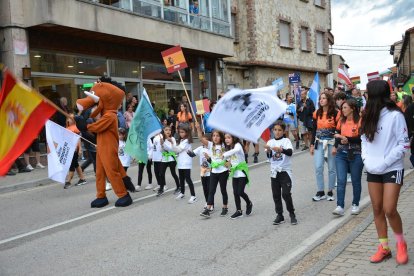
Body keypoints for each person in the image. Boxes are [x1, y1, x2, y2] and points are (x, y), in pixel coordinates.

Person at [361, 80, 409, 264]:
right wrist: (367, 160)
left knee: (389, 209)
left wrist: (384, 162)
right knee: (377, 208)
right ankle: (384, 247)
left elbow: (404, 144)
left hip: (391, 167)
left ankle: (401, 244)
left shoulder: (395, 116)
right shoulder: (366, 115)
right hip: (373, 168)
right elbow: (364, 140)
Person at [332, 99, 363, 216]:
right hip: (341, 154)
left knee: (355, 180)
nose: (343, 110)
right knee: (341, 180)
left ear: (353, 108)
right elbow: (337, 134)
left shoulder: (360, 120)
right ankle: (340, 206)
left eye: (345, 107)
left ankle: (355, 204)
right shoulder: (341, 121)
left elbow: (361, 138)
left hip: (356, 153)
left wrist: (348, 139)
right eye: (342, 108)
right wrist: (336, 145)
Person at [264, 121, 297, 225]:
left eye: (279, 130)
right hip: (274, 173)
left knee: (286, 194)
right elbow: (269, 157)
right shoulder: (270, 142)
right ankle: (280, 215)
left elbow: (290, 153)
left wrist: (281, 150)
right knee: (276, 195)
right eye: (275, 130)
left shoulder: (286, 141)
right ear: (272, 131)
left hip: (285, 172)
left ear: (283, 131)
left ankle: (292, 214)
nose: (277, 132)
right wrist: (269, 151)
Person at [310, 92, 339, 201]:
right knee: (318, 167)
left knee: (331, 168)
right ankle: (320, 191)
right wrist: (312, 144)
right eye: (320, 98)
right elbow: (313, 130)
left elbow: (338, 130)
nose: (321, 100)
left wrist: (336, 145)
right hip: (319, 142)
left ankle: (330, 191)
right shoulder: (316, 113)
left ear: (329, 100)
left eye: (324, 98)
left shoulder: (336, 113)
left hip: (331, 143)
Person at [197, 123, 229, 218]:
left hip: (223, 171)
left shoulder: (224, 145)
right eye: (214, 136)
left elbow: (228, 159)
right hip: (214, 171)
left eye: (217, 136)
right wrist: (198, 129)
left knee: (223, 190)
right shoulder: (211, 145)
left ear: (221, 137)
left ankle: (225, 208)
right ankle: (207, 209)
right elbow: (200, 139)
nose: (215, 138)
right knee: (211, 191)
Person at [223, 133, 253, 219]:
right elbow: (229, 160)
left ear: (234, 138)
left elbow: (234, 151)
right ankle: (238, 211)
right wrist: (226, 163)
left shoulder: (238, 145)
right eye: (225, 138)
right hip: (234, 172)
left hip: (242, 172)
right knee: (235, 192)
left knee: (240, 192)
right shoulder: (229, 148)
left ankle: (249, 203)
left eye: (229, 138)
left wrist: (225, 154)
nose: (226, 140)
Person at [170, 124, 197, 203]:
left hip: (186, 163)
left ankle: (193, 196)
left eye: (182, 132)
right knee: (181, 179)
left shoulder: (186, 141)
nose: (181, 134)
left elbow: (178, 150)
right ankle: (182, 192)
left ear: (187, 133)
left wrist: (172, 144)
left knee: (188, 179)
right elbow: (177, 151)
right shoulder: (182, 140)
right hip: (181, 162)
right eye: (180, 132)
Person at [188, 137, 213, 211]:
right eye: (202, 140)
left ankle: (211, 204)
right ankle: (207, 202)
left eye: (205, 140)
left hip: (210, 172)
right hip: (203, 172)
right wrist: (188, 152)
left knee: (210, 189)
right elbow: (192, 154)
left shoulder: (211, 148)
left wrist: (208, 158)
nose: (203, 141)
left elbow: (213, 160)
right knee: (205, 189)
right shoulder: (200, 148)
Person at [64, 115, 87, 189]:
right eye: (68, 118)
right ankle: (82, 178)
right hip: (69, 149)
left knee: (72, 164)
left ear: (73, 120)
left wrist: (80, 149)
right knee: (76, 164)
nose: (69, 120)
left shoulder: (75, 128)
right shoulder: (66, 128)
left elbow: (78, 139)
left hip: (75, 150)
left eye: (70, 119)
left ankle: (68, 181)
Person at [158, 126, 180, 196]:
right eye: (166, 130)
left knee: (173, 173)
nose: (168, 131)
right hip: (164, 159)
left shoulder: (172, 139)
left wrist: (164, 144)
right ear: (163, 131)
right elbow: (161, 151)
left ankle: (178, 186)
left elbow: (171, 149)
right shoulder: (161, 139)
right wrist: (161, 145)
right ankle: (161, 188)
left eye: (169, 130)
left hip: (171, 159)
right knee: (161, 174)